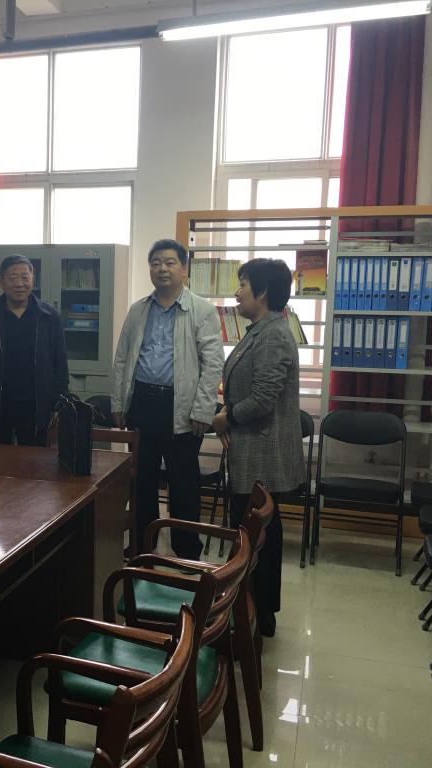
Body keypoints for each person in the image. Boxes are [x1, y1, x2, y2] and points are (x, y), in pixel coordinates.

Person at [112, 238, 223, 559]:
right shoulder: (138, 310)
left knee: (183, 482)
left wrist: (203, 409)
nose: (162, 268)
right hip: (143, 402)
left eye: (170, 262)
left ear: (184, 269)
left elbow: (213, 363)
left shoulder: (201, 310)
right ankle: (142, 546)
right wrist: (119, 403)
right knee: (141, 479)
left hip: (182, 407)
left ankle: (187, 551)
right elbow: (122, 358)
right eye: (155, 262)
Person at [212, 258, 305, 638]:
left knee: (260, 536)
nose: (237, 293)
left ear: (262, 292)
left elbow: (263, 399)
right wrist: (227, 413)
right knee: (253, 534)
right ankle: (252, 610)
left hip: (262, 451)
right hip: (252, 449)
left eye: (243, 285)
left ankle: (259, 613)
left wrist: (226, 418)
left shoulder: (273, 335)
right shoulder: (260, 330)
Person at [0, 254, 68, 446]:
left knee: (35, 462)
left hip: (37, 408)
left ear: (33, 280)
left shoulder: (49, 317)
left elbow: (60, 363)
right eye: (13, 278)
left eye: (25, 277)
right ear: (1, 283)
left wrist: (60, 403)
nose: (19, 284)